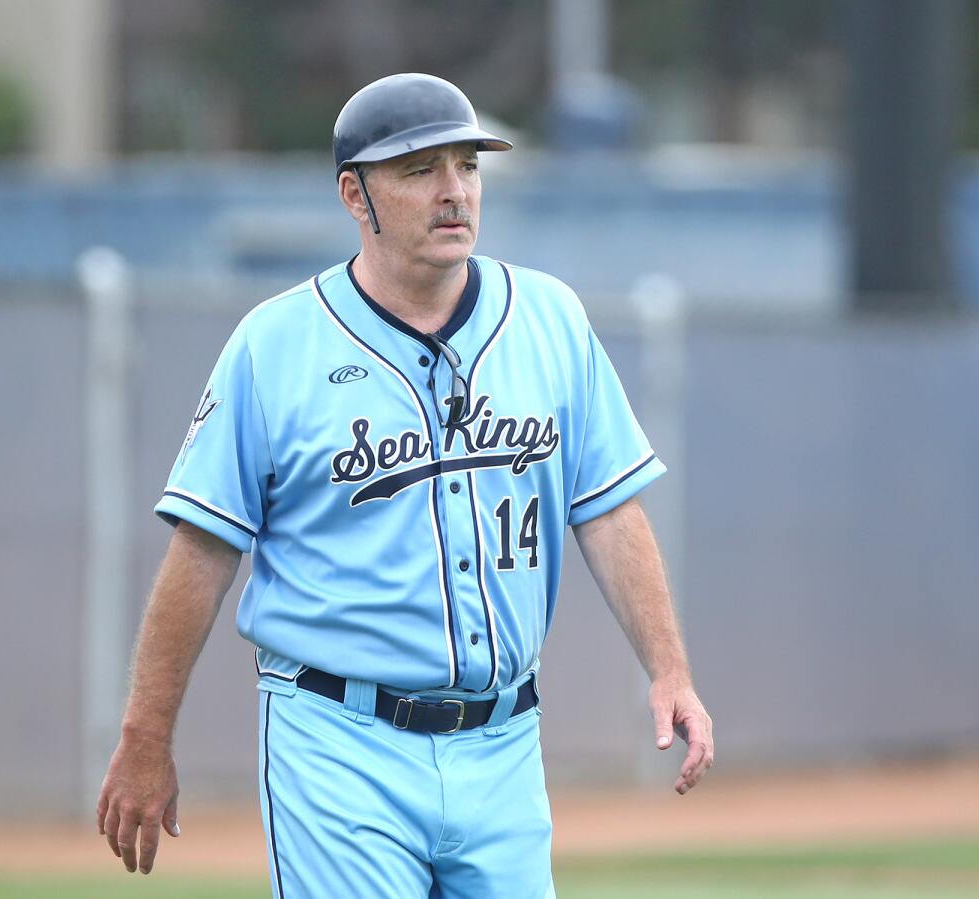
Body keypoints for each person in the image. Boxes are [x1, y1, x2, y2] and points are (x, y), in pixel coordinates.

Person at [96, 72, 713, 898]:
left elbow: (606, 509)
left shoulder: (550, 320)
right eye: (420, 170)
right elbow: (203, 551)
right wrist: (146, 734)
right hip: (339, 740)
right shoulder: (273, 346)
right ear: (356, 194)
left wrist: (669, 670)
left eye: (467, 165)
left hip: (503, 740)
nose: (454, 191)